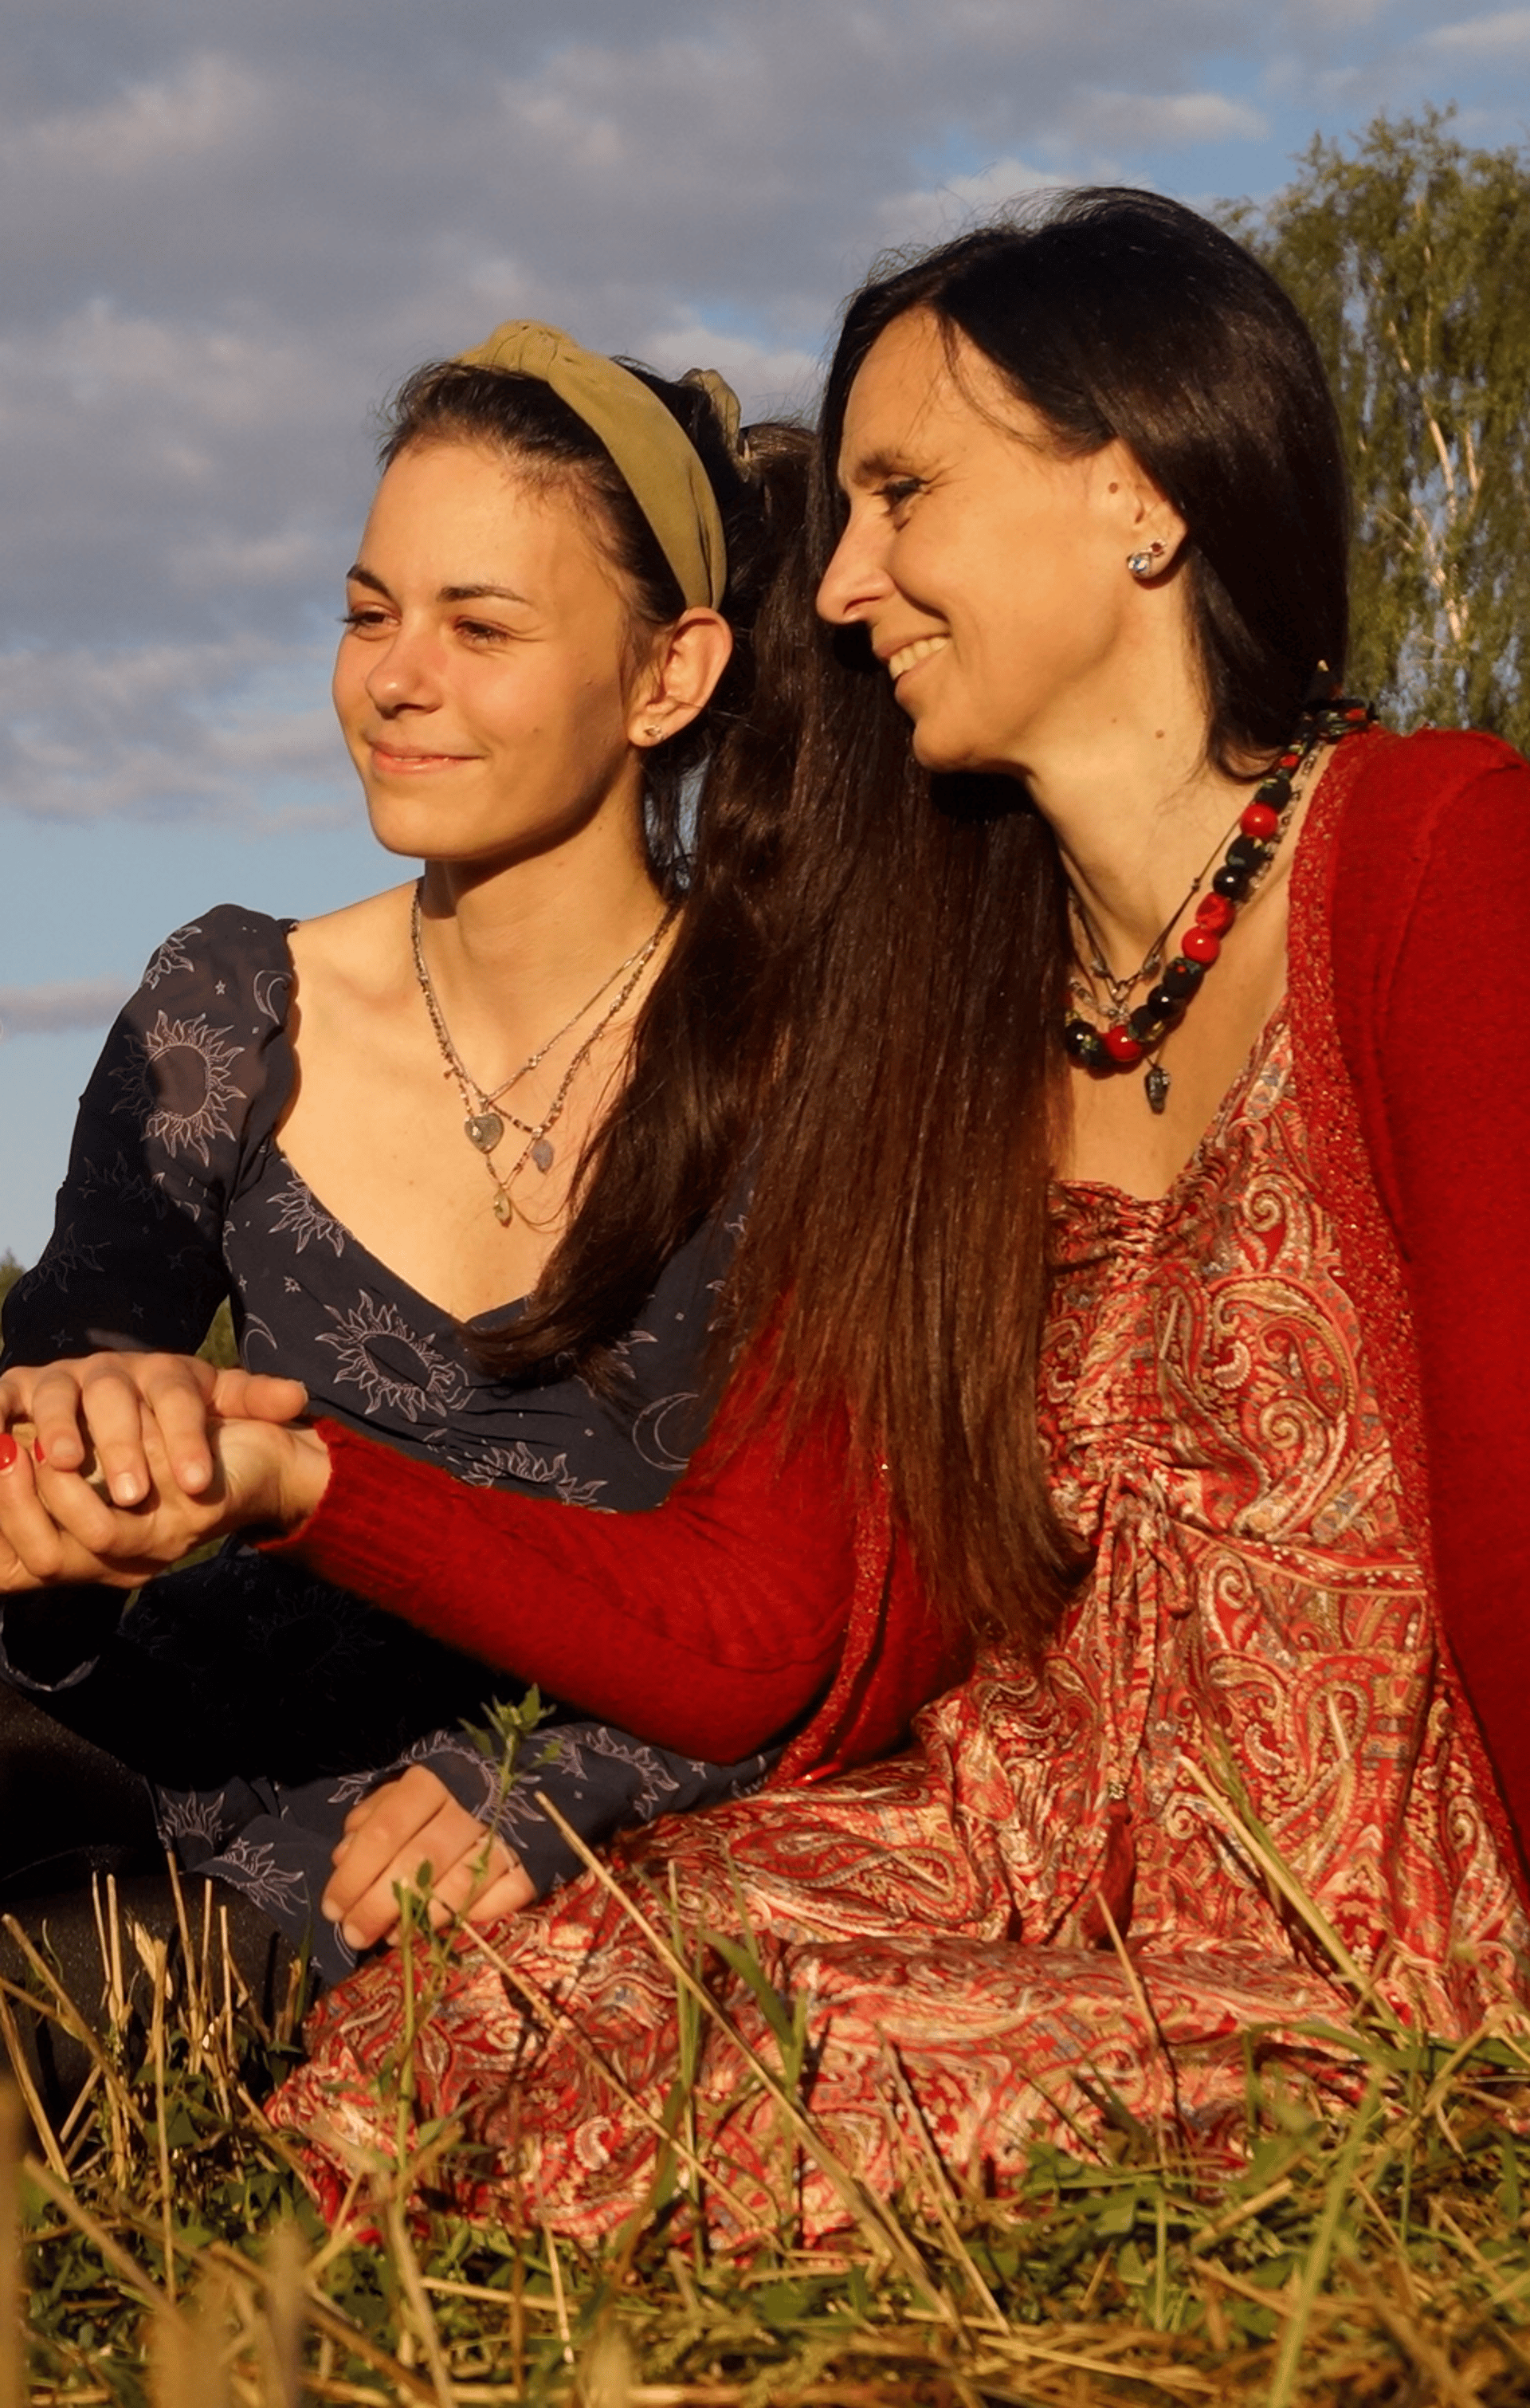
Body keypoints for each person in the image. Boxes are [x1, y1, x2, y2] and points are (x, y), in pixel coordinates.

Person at [7, 187, 1528, 2242]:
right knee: (499, 2040)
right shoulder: (947, 1035)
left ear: (1138, 497)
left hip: (1361, 1883)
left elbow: (1519, 1493)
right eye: (369, 612)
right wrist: (294, 1474)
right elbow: (770, 1615)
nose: (851, 575)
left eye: (906, 491)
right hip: (990, 1843)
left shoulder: (1435, 854)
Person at [0, 320, 959, 2046]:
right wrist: (62, 1475)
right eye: (370, 613)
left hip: (375, 1855)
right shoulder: (231, 1006)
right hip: (134, 1738)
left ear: (667, 678)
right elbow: (56, 1399)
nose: (394, 678)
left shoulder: (807, 1066)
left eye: (480, 626)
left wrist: (564, 1774)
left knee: (59, 2020)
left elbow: (836, 1585)